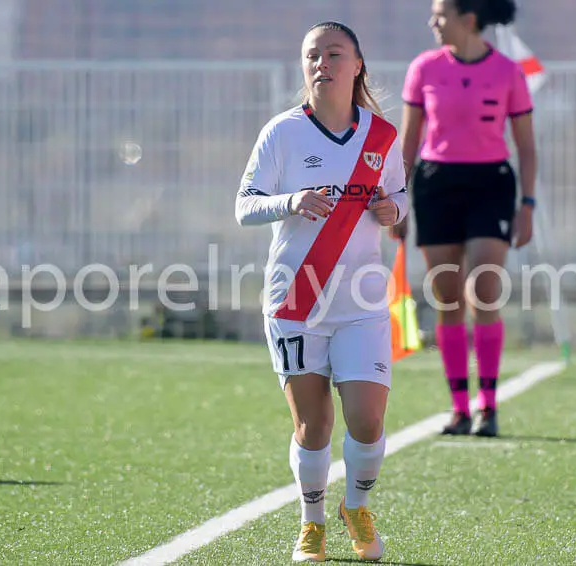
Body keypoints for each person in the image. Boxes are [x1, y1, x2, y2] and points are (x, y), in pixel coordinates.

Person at [235, 21, 408, 563]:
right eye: (313, 55)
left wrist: (392, 209)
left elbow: (400, 198)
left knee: (368, 419)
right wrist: (290, 201)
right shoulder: (282, 133)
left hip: (361, 302)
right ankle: (311, 522)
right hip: (296, 300)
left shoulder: (381, 136)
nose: (322, 63)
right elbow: (244, 205)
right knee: (314, 426)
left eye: (334, 53)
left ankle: (356, 506)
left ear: (357, 65)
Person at [397, 0, 536, 437]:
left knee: (485, 290)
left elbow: (527, 147)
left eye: (440, 15)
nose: (432, 23)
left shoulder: (509, 72)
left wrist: (527, 205)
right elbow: (408, 144)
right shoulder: (423, 68)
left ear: (468, 20)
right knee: (448, 298)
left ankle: (488, 407)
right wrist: (398, 201)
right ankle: (459, 408)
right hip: (435, 185)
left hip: (490, 186)